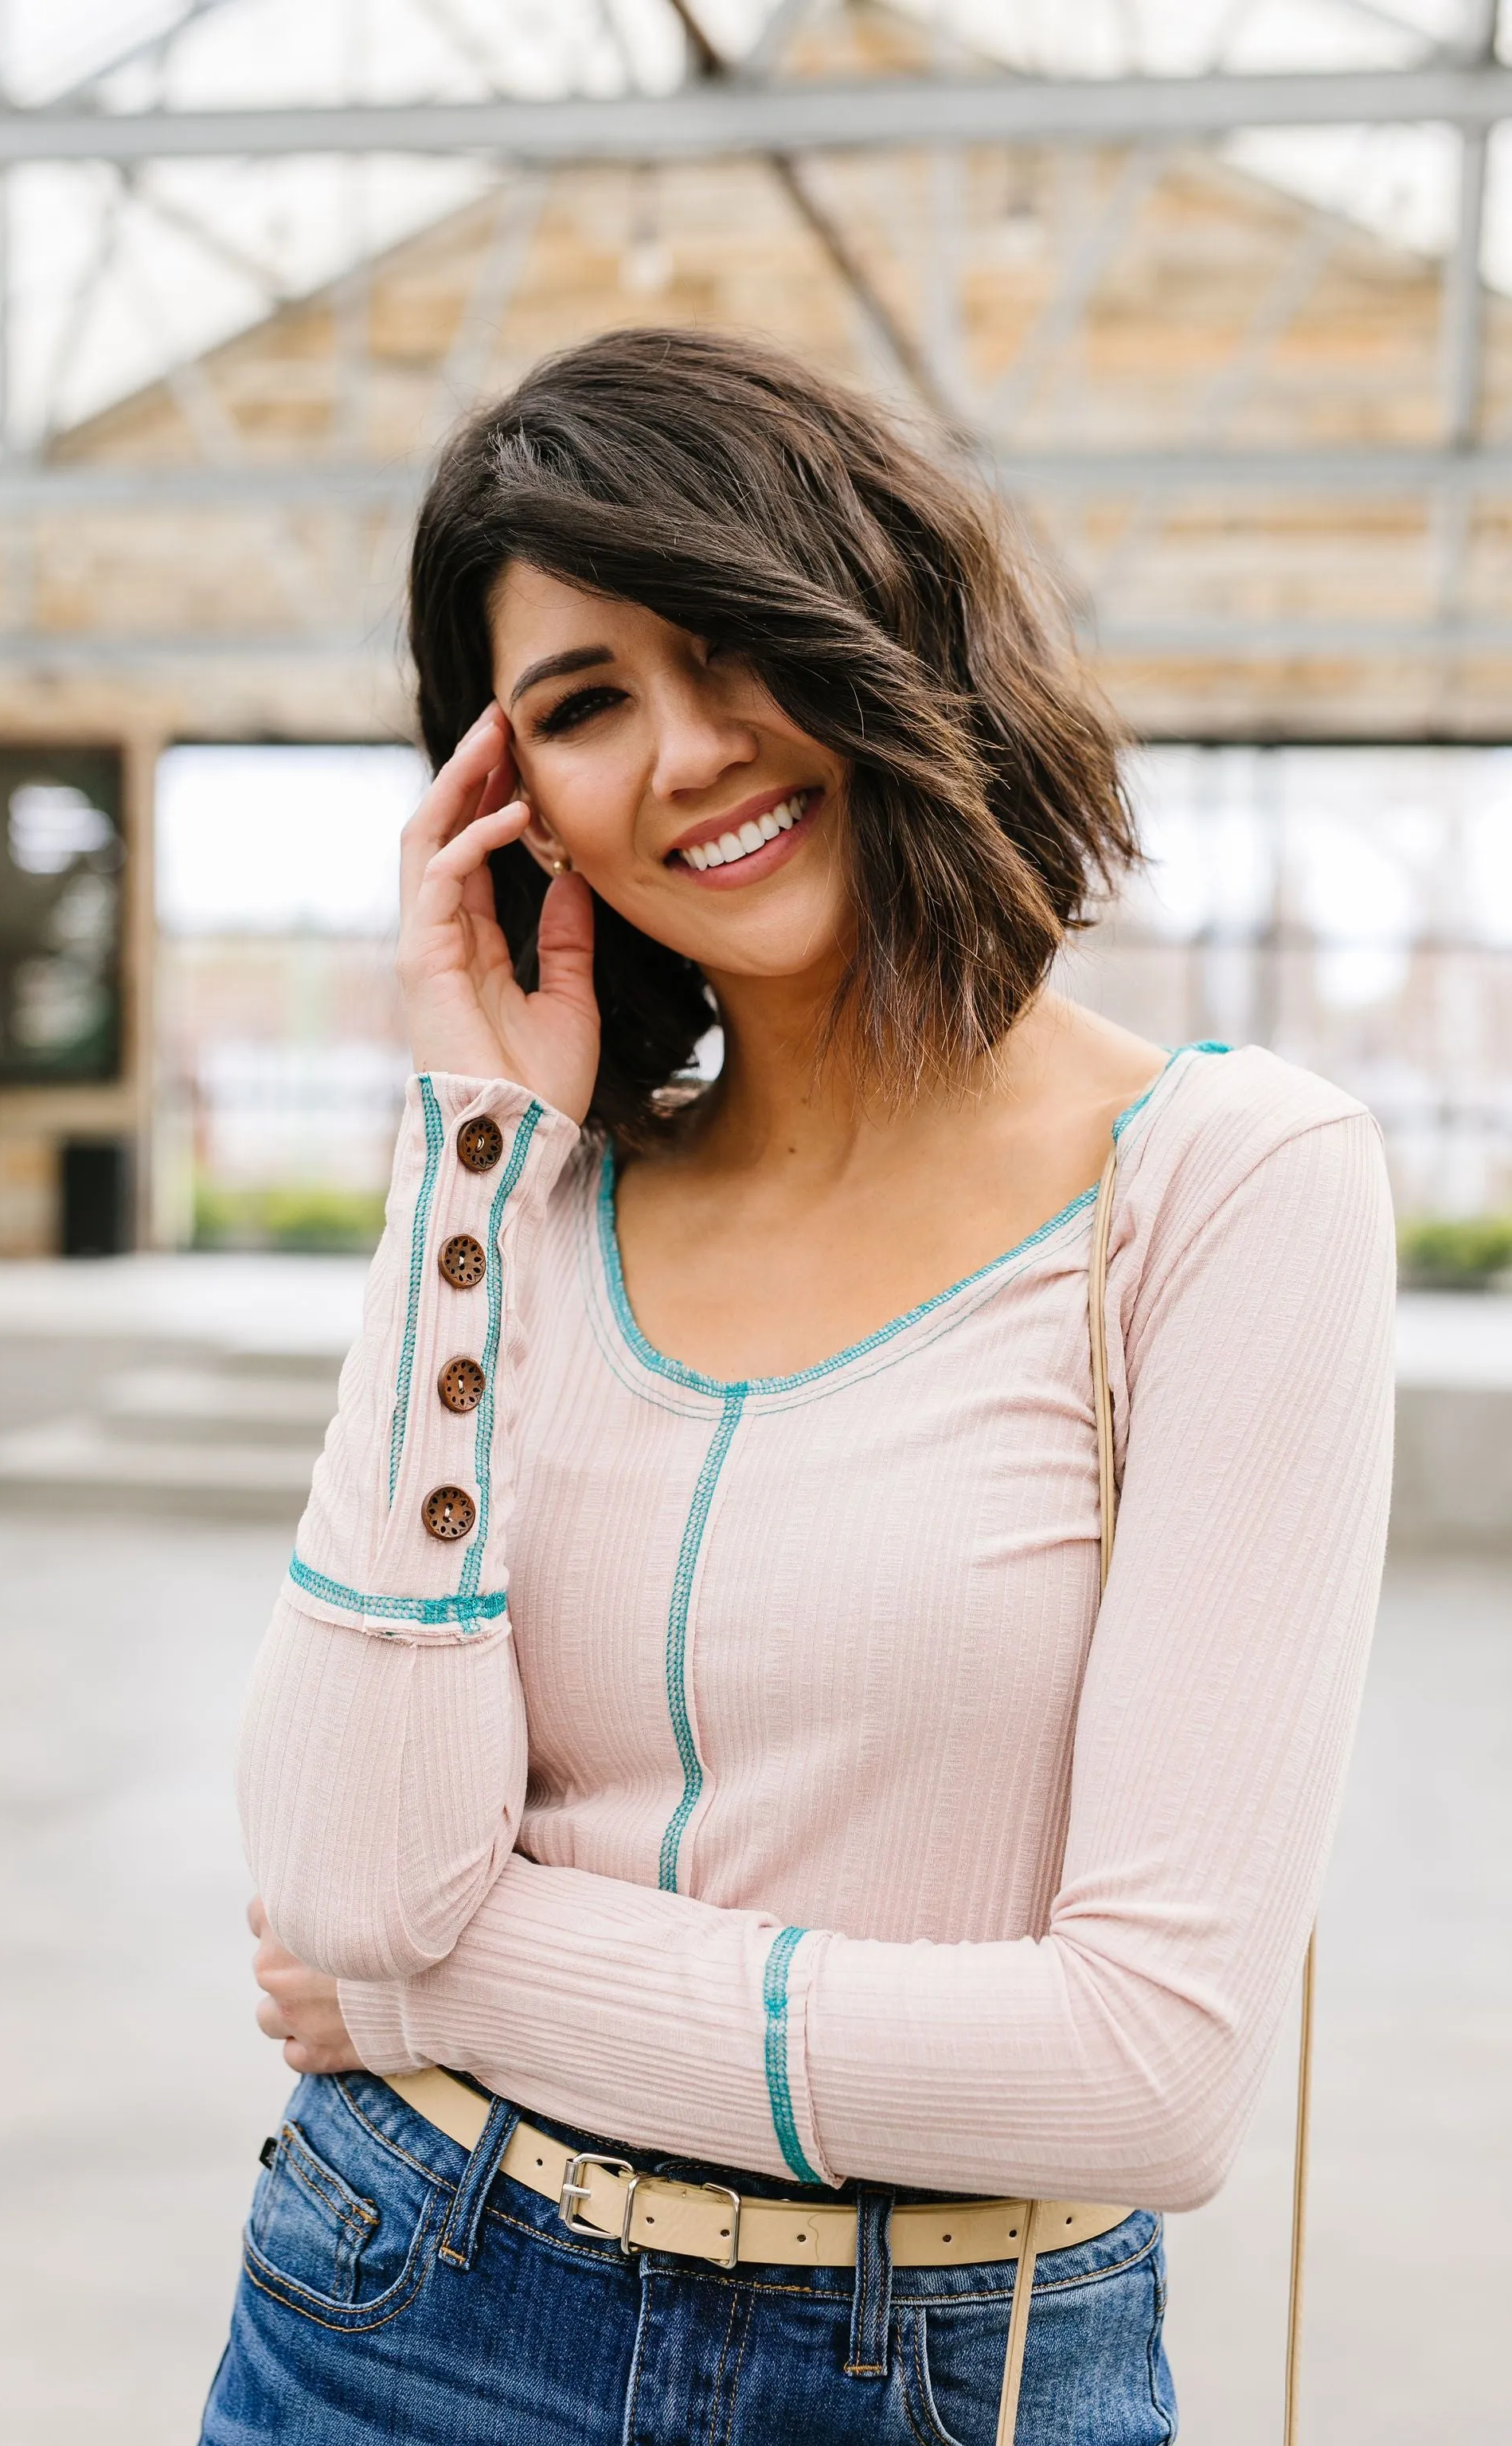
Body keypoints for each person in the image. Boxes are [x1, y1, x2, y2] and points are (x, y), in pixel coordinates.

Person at [200, 329, 1393, 2446]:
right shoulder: (537, 1201)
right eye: (581, 706)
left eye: (727, 641)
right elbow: (336, 1869)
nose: (681, 751)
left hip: (948, 2370)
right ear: (511, 807)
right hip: (392, 2307)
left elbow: (1144, 2067)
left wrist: (446, 1977)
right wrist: (464, 1147)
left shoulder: (1224, 1191)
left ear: (882, 623)